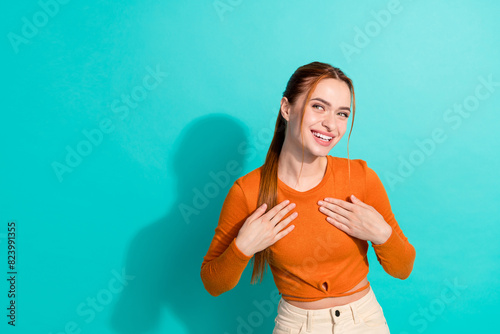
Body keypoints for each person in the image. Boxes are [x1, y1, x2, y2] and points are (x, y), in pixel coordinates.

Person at [200, 61, 416, 333]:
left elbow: (403, 267)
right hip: (297, 326)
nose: (330, 124)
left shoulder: (360, 177)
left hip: (364, 321)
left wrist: (381, 233)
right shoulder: (248, 191)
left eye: (342, 114)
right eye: (318, 106)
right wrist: (243, 247)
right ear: (287, 108)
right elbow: (213, 283)